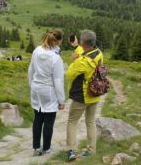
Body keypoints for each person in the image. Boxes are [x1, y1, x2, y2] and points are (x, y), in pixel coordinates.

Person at [65, 29, 104, 161]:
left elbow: (69, 74)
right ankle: (92, 149)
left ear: (84, 43)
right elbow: (85, 54)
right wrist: (76, 47)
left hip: (82, 95)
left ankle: (71, 151)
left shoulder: (82, 62)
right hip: (95, 93)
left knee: (72, 121)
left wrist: (73, 60)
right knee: (90, 121)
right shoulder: (98, 53)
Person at [28, 29, 66, 156]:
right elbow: (58, 82)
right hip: (49, 92)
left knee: (37, 118)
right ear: (59, 41)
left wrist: (32, 84)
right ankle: (46, 148)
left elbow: (31, 70)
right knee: (49, 121)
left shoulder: (37, 51)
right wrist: (61, 101)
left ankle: (36, 147)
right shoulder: (56, 59)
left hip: (36, 88)